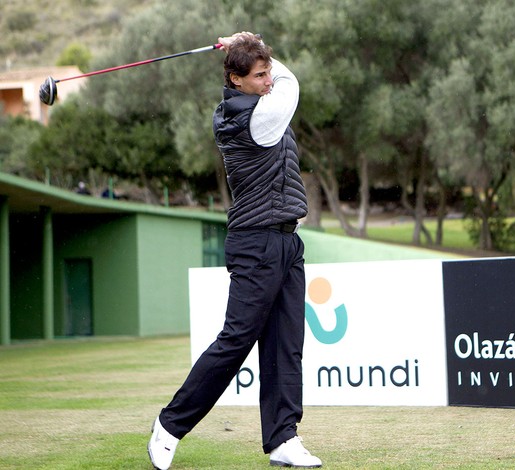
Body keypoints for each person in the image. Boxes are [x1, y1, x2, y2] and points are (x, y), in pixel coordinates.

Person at [147, 32, 321, 469]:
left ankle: (283, 439)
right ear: (235, 80)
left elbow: (277, 82)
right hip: (256, 242)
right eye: (259, 75)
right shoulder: (248, 117)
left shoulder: (259, 104)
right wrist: (253, 41)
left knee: (286, 344)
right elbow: (291, 84)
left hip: (286, 241)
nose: (268, 80)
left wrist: (251, 44)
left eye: (266, 73)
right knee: (236, 341)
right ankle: (169, 425)